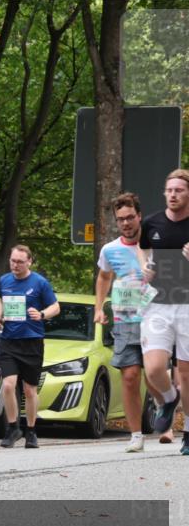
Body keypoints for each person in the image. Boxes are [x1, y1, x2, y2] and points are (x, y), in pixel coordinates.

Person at [94, 192, 174, 452]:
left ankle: (167, 419)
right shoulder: (110, 249)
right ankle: (136, 435)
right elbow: (104, 277)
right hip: (125, 318)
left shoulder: (156, 244)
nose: (126, 223)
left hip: (155, 316)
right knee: (130, 377)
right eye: (121, 219)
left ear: (140, 216)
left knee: (153, 374)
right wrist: (99, 307)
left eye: (130, 217)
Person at [138, 169, 189, 456]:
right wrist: (145, 268)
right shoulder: (152, 223)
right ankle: (169, 399)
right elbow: (142, 249)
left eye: (179, 190)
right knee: (155, 367)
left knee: (187, 372)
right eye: (169, 190)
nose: (173, 195)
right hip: (158, 303)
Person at [0, 245, 60, 449]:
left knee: (30, 390)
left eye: (20, 262)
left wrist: (42, 315)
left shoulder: (39, 282)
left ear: (29, 261)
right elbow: (2, 302)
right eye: (13, 261)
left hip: (32, 342)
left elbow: (56, 307)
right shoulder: (4, 280)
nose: (15, 265)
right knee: (8, 385)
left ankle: (31, 430)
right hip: (9, 341)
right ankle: (13, 428)